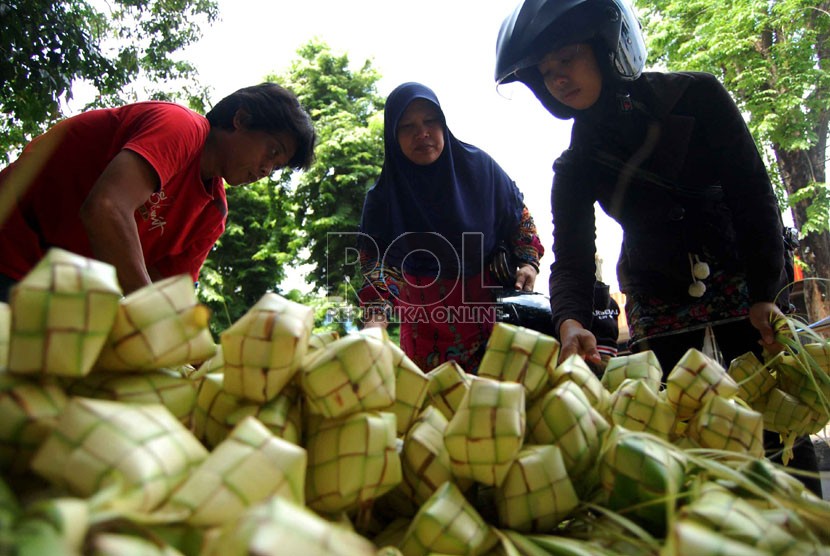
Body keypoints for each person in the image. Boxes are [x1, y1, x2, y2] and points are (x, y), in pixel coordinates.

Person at [494, 0, 820, 494]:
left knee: (778, 428)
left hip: (743, 280)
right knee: (678, 436)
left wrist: (765, 293)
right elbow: (574, 258)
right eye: (545, 71)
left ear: (608, 47)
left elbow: (753, 196)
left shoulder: (699, 97)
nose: (557, 78)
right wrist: (570, 321)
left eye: (567, 58)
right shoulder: (576, 164)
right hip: (655, 297)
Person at [0, 82, 316, 300]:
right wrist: (155, 322)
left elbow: (171, 299)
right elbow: (105, 208)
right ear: (241, 119)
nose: (266, 170)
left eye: (276, 168)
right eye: (272, 151)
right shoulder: (181, 127)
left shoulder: (212, 215)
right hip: (10, 238)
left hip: (53, 293)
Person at [358, 82, 544, 374]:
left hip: (494, 326)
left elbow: (519, 218)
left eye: (430, 121)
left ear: (443, 124)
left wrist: (528, 262)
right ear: (393, 137)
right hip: (425, 338)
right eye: (407, 126)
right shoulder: (383, 200)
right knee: (437, 412)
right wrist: (375, 324)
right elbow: (378, 268)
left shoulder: (480, 169)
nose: (422, 133)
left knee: (498, 410)